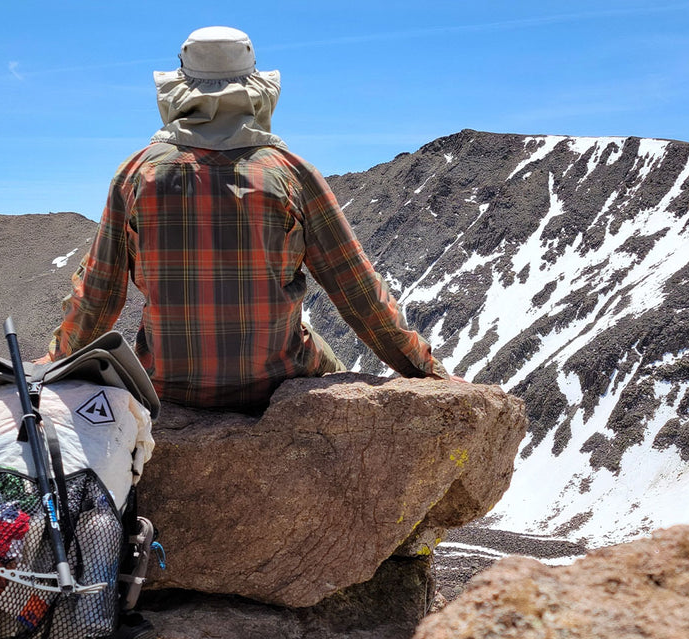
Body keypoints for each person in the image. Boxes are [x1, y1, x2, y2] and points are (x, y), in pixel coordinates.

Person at [48, 26, 449, 411]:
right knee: (331, 360)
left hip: (167, 384)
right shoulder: (292, 174)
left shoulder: (137, 174)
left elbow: (97, 296)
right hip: (275, 380)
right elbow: (358, 290)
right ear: (257, 94)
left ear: (178, 93)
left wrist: (50, 364)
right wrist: (426, 371)